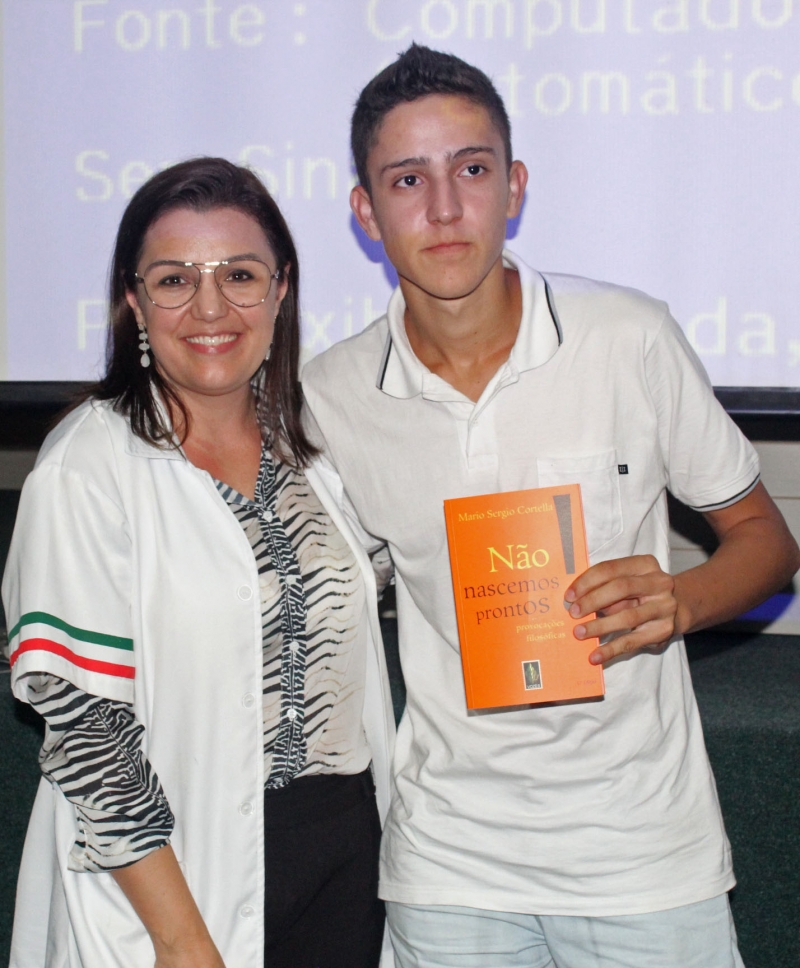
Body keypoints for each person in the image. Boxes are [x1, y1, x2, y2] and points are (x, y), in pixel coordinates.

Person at [301, 44, 800, 968]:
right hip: (449, 864)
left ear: (515, 186)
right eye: (408, 179)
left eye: (471, 170)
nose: (443, 207)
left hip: (642, 854)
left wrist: (681, 600)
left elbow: (768, 541)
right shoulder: (331, 395)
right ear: (366, 212)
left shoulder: (627, 337)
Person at [3, 158, 396, 968]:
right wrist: (181, 941)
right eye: (175, 279)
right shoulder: (86, 468)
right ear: (134, 300)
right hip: (175, 881)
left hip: (344, 860)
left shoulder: (316, 451)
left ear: (281, 292)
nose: (210, 307)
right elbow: (87, 733)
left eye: (240, 275)